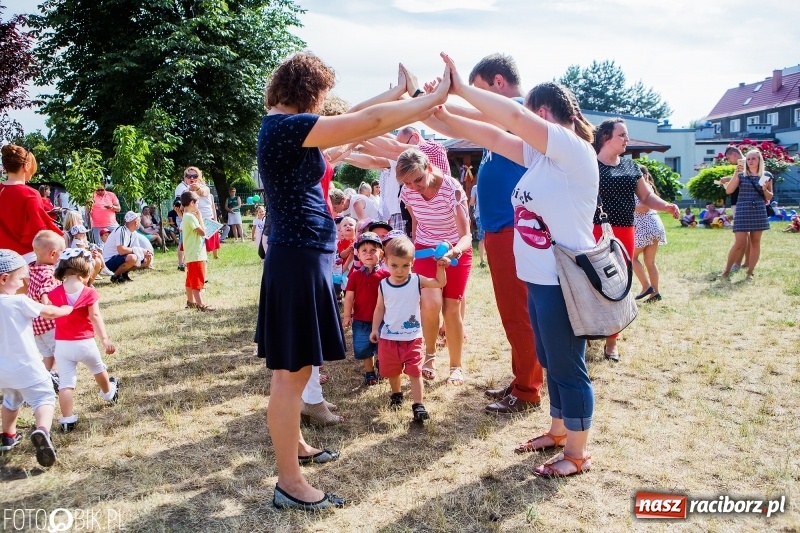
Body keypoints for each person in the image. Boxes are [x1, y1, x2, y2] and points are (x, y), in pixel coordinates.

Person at [256, 51, 450, 511]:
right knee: (291, 374)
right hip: (298, 260)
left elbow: (357, 118)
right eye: (320, 98)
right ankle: (289, 482)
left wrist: (398, 93)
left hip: (303, 258)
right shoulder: (285, 128)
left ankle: (296, 447)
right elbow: (370, 120)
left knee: (297, 369)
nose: (323, 107)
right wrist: (429, 102)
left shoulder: (285, 127)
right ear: (307, 94)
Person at [433, 52, 598, 477]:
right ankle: (558, 431)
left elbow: (506, 115)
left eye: (526, 115)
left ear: (542, 113)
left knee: (567, 365)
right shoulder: (542, 157)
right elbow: (484, 133)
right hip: (542, 279)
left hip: (564, 279)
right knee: (549, 354)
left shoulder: (570, 148)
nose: (519, 120)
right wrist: (434, 106)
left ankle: (577, 453)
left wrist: (461, 87)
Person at [421, 52, 544, 413]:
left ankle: (528, 388)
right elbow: (455, 125)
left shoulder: (519, 108)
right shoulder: (505, 121)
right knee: (513, 311)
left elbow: (465, 119)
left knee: (519, 312)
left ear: (498, 83)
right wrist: (431, 104)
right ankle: (523, 378)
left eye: (478, 91)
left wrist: (445, 97)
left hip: (513, 228)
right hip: (501, 230)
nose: (474, 99)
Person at [592, 118, 679, 362]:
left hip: (624, 232)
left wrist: (667, 206)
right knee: (591, 282)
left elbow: (647, 196)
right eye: (622, 135)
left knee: (619, 285)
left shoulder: (631, 167)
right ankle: (589, 329)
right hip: (594, 230)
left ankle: (612, 341)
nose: (626, 139)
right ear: (606, 137)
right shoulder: (589, 165)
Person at [396, 148, 472, 386]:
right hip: (425, 250)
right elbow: (417, 221)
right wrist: (414, 250)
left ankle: (455, 366)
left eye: (418, 180)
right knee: (430, 303)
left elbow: (467, 236)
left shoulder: (452, 189)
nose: (414, 187)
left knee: (451, 308)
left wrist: (453, 252)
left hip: (455, 250)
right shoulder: (408, 192)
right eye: (407, 183)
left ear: (429, 167)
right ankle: (428, 357)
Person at [0, 249, 72, 466]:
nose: (24, 283)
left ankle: (8, 436)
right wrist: (65, 309)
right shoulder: (18, 302)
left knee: (11, 399)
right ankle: (42, 431)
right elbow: (47, 312)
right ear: (5, 279)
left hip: (3, 371)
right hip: (27, 366)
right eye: (21, 278)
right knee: (44, 397)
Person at [370, 235, 446, 421]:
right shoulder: (383, 285)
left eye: (405, 265)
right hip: (389, 338)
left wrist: (441, 267)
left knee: (415, 371)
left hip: (412, 337)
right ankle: (396, 394)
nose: (399, 270)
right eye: (394, 265)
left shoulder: (416, 280)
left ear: (413, 262)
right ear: (385, 261)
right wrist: (374, 329)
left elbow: (439, 283)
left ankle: (418, 405)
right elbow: (379, 308)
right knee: (393, 371)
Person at [47, 248, 119, 432]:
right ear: (84, 269)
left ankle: (67, 419)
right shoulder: (88, 292)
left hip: (62, 345)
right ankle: (108, 392)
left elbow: (49, 314)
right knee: (98, 368)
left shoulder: (54, 294)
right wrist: (104, 339)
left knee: (66, 382)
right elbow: (95, 316)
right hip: (85, 343)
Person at [0, 145, 63, 264]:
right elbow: (40, 229)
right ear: (26, 166)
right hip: (25, 257)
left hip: (2, 257)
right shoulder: (30, 194)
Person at [342, 232, 390, 385]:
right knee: (364, 348)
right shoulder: (355, 276)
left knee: (382, 346)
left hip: (383, 319)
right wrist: (347, 316)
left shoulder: (386, 275)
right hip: (361, 320)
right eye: (364, 250)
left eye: (373, 250)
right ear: (358, 254)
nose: (368, 254)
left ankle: (382, 365)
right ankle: (369, 372)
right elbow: (349, 297)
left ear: (381, 253)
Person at [719, 149, 773, 281]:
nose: (750, 161)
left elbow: (770, 196)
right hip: (743, 208)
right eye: (748, 159)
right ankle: (726, 270)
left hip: (758, 209)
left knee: (755, 242)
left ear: (759, 160)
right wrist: (736, 173)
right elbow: (729, 190)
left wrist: (765, 189)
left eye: (753, 158)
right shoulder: (741, 174)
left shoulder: (766, 175)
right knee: (739, 242)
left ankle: (750, 272)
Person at [27, 230, 66, 387]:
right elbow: (46, 296)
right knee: (61, 354)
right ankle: (55, 377)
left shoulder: (31, 268)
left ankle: (40, 380)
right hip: (49, 324)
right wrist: (54, 307)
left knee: (47, 356)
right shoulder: (48, 273)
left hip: (36, 325)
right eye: (60, 254)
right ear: (52, 254)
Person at [632, 165, 668, 303]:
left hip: (644, 227)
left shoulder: (644, 188)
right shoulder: (648, 187)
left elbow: (645, 208)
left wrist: (627, 208)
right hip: (654, 226)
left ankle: (646, 286)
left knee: (631, 258)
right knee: (650, 262)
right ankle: (655, 293)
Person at [180, 191, 215, 311]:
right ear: (191, 203)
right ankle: (200, 305)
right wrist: (200, 218)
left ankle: (190, 302)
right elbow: (203, 232)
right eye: (197, 203)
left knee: (190, 280)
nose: (198, 205)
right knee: (197, 281)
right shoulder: (190, 217)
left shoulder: (186, 216)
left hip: (191, 253)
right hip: (196, 254)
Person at [717, 146, 749, 270]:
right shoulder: (747, 162)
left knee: (741, 236)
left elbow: (744, 178)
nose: (728, 160)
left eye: (728, 157)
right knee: (746, 235)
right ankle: (746, 262)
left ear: (734, 154)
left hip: (740, 202)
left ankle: (737, 263)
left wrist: (727, 180)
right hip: (742, 201)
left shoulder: (744, 163)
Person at [101, 211, 154, 283]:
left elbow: (136, 250)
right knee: (133, 258)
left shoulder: (133, 233)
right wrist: (141, 251)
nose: (140, 223)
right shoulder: (121, 231)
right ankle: (116, 276)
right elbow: (121, 250)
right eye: (139, 221)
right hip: (110, 260)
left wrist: (145, 254)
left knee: (146, 260)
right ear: (135, 223)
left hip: (120, 258)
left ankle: (124, 274)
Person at [469, 182, 486, 267]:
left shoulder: (475, 187)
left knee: (482, 239)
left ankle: (482, 260)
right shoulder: (492, 185)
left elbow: (472, 203)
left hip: (480, 215)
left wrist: (470, 213)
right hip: (492, 215)